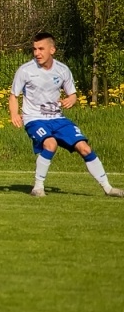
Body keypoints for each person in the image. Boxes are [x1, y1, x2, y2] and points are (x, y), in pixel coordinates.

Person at [9, 33, 122, 198]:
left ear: (52, 50)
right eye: (34, 49)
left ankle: (108, 188)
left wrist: (71, 99)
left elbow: (73, 95)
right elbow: (13, 95)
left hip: (58, 119)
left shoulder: (63, 70)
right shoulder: (25, 70)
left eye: (41, 49)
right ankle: (38, 188)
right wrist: (14, 113)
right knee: (50, 144)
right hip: (34, 119)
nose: (37, 53)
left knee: (85, 148)